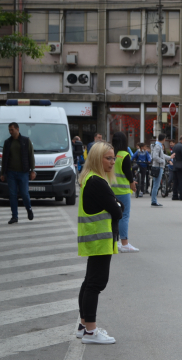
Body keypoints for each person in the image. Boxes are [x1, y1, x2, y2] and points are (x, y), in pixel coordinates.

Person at [76, 142, 122, 344]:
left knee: (89, 282)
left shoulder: (89, 179)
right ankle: (90, 332)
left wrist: (115, 204)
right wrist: (117, 203)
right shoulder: (97, 182)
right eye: (108, 158)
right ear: (97, 159)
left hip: (95, 239)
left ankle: (84, 325)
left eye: (113, 158)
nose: (112, 162)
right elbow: (118, 210)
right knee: (96, 283)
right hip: (99, 239)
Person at [0, 122, 35, 224]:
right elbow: (4, 159)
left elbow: (31, 156)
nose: (10, 132)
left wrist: (32, 170)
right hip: (11, 173)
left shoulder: (25, 141)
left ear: (17, 129)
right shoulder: (7, 142)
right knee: (12, 195)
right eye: (9, 130)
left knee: (24, 193)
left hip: (23, 172)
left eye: (12, 130)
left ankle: (29, 209)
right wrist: (3, 173)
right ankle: (14, 216)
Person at [111, 132, 139, 252]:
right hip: (122, 190)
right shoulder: (124, 155)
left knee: (113, 217)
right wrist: (132, 183)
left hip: (111, 189)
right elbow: (128, 172)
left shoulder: (111, 154)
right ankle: (125, 243)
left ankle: (115, 242)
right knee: (124, 216)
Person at [150, 133, 170, 207]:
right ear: (164, 139)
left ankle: (153, 200)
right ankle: (154, 201)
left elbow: (161, 155)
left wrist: (169, 157)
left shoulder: (157, 145)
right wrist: (162, 161)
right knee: (156, 184)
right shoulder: (158, 146)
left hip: (157, 166)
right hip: (158, 167)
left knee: (155, 184)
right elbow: (155, 157)